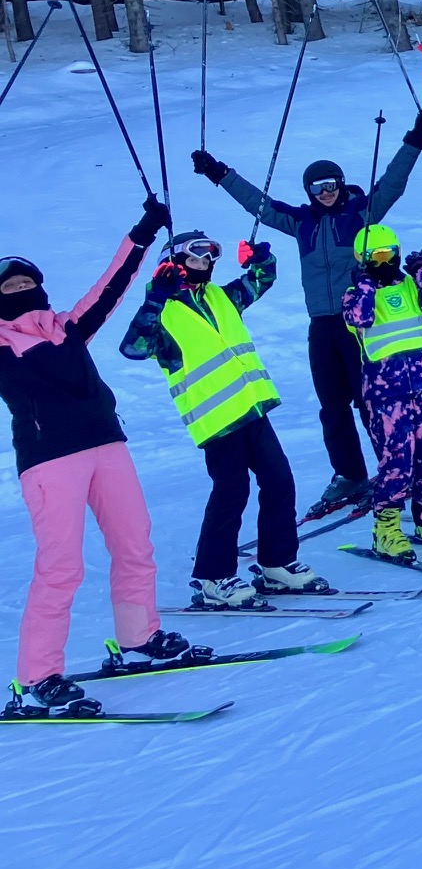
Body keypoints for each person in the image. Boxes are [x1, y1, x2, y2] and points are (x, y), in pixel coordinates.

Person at [2, 199, 213, 718]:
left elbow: (111, 286)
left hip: (107, 445)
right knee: (61, 567)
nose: (20, 290)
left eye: (26, 282)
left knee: (135, 545)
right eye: (8, 287)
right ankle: (37, 677)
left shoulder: (68, 326)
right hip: (50, 461)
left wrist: (144, 232)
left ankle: (139, 638)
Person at [191, 108, 422, 519]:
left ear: (340, 184)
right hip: (321, 325)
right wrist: (219, 173)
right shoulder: (301, 222)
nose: (325, 192)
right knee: (331, 405)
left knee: (369, 400)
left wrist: (415, 138)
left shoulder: (361, 215)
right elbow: (260, 205)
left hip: (358, 322)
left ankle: (395, 467)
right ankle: (350, 474)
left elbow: (392, 183)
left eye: (330, 185)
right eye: (317, 187)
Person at [118, 230, 323, 607]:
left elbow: (262, 278)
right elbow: (133, 348)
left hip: (252, 407)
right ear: (173, 263)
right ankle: (213, 577)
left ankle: (277, 564)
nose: (204, 264)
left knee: (279, 480)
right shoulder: (163, 312)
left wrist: (260, 258)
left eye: (209, 258)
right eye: (195, 258)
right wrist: (155, 299)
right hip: (216, 419)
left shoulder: (220, 296)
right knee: (232, 492)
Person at [344, 225, 422, 562]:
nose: (384, 262)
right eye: (375, 257)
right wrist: (365, 284)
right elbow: (359, 318)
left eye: (389, 254)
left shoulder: (410, 285)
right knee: (397, 460)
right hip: (387, 391)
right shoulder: (355, 294)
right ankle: (386, 529)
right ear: (363, 259)